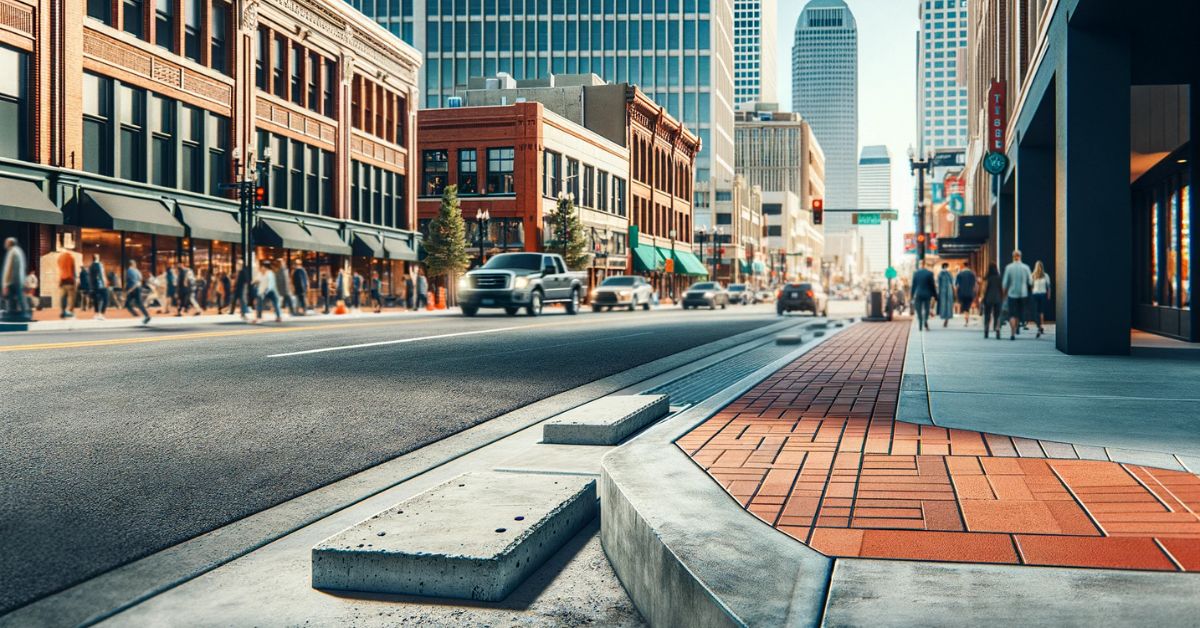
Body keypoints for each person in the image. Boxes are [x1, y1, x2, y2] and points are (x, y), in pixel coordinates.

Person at [1002, 249, 1033, 341]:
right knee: (1019, 313)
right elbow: (1030, 281)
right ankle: (1017, 328)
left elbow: (1004, 283)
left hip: (1012, 294)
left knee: (1011, 313)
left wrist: (1003, 295)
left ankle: (1012, 333)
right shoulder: (1026, 267)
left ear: (1013, 257)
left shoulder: (1009, 267)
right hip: (1023, 294)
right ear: (1020, 256)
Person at [2, 237, 28, 318]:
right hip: (19, 279)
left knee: (11, 297)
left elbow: (8, 268)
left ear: (10, 243)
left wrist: (5, 283)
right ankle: (22, 312)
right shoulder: (19, 251)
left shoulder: (12, 252)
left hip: (12, 280)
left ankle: (13, 313)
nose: (5, 244)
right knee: (19, 296)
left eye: (6, 243)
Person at [910, 261, 937, 331]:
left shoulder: (916, 273)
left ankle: (920, 321)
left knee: (918, 309)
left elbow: (913, 286)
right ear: (925, 265)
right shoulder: (929, 273)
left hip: (918, 294)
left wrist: (911, 296)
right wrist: (935, 295)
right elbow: (932, 286)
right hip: (927, 294)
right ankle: (925, 320)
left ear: (920, 265)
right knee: (927, 309)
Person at [980, 263, 1003, 339]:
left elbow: (984, 289)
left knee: (987, 315)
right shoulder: (999, 278)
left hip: (988, 298)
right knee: (997, 315)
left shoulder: (987, 278)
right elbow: (1001, 289)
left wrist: (982, 298)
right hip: (997, 299)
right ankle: (997, 329)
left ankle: (986, 329)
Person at [124, 260, 151, 324]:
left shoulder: (129, 271)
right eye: (135, 264)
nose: (135, 265)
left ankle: (138, 315)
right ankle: (145, 315)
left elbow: (133, 282)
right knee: (139, 303)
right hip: (138, 288)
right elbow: (141, 278)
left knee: (127, 304)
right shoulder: (137, 271)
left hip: (132, 289)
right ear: (133, 264)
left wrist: (130, 290)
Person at [1031, 261, 1051, 338]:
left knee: (1039, 311)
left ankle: (1040, 326)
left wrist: (1048, 294)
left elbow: (1048, 286)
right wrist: (1048, 295)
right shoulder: (1036, 275)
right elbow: (1048, 287)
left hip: (1038, 294)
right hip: (1039, 294)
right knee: (1039, 311)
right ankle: (1040, 326)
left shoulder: (1043, 275)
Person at [57, 249, 77, 318]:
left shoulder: (60, 258)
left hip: (62, 280)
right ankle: (70, 311)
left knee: (63, 297)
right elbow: (73, 269)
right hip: (70, 280)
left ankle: (63, 311)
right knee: (72, 297)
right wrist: (75, 279)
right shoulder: (71, 257)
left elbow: (59, 268)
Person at [88, 254, 108, 320]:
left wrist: (91, 286)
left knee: (96, 300)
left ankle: (96, 314)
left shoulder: (90, 266)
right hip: (100, 285)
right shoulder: (99, 264)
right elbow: (101, 275)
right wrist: (104, 283)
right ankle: (101, 314)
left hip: (94, 285)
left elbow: (90, 277)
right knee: (105, 298)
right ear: (97, 258)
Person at [936, 262, 955, 327]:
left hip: (942, 291)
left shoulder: (940, 274)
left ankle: (943, 316)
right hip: (949, 291)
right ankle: (947, 317)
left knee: (943, 304)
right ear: (946, 267)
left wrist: (938, 292)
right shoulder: (949, 274)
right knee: (949, 304)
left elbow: (938, 283)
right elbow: (952, 283)